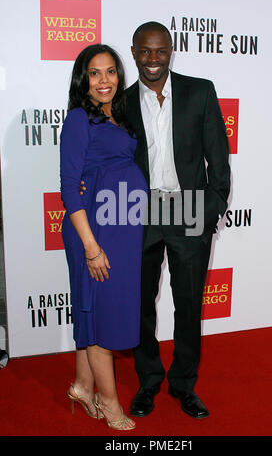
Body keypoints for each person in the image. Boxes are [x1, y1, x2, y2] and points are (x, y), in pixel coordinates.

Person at [125, 22, 231, 419]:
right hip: (141, 213)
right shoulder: (121, 101)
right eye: (145, 52)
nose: (153, 59)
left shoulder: (199, 91)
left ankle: (184, 384)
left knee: (188, 305)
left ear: (171, 51)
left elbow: (218, 158)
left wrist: (210, 210)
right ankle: (148, 381)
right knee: (140, 306)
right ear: (134, 52)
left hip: (189, 211)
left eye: (161, 51)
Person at [60, 44, 147, 430]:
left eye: (111, 71)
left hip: (123, 227)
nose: (104, 80)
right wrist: (91, 247)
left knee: (95, 311)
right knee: (101, 315)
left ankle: (82, 385)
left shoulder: (119, 117)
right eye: (95, 73)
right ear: (83, 79)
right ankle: (110, 403)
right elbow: (67, 185)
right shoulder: (80, 119)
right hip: (95, 229)